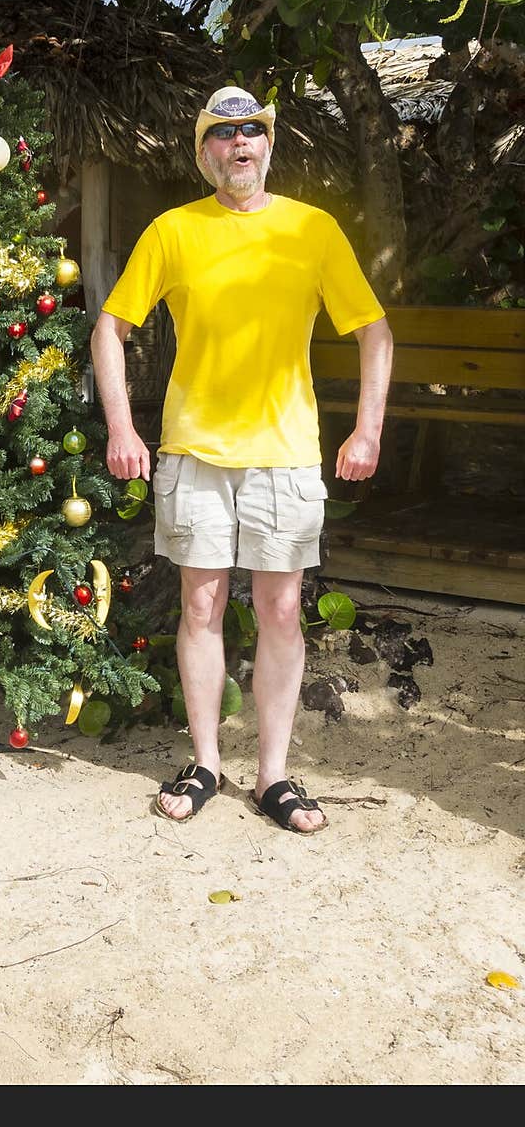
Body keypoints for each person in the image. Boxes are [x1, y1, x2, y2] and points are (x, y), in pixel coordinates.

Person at [91, 87, 393, 835]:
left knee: (283, 610)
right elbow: (110, 327)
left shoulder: (312, 229)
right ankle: (205, 764)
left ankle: (274, 776)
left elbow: (373, 330)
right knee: (201, 606)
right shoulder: (173, 230)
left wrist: (368, 430)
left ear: (268, 146)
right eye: (223, 136)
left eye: (251, 133)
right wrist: (122, 427)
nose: (239, 146)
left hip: (286, 453)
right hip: (194, 450)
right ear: (205, 155)